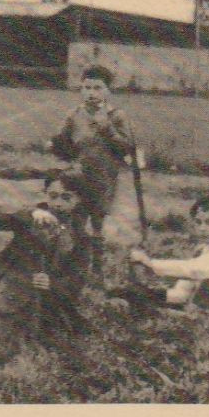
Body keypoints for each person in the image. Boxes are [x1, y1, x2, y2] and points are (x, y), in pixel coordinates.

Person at [0, 169, 96, 345]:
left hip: (49, 298)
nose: (58, 203)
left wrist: (52, 283)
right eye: (53, 196)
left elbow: (77, 279)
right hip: (14, 289)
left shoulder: (81, 237)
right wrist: (29, 214)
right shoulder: (32, 217)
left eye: (67, 198)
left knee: (55, 338)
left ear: (79, 199)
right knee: (4, 335)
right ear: (45, 195)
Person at [49, 64, 135, 277]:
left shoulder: (116, 115)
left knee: (97, 224)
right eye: (87, 88)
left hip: (104, 177)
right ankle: (72, 267)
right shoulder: (74, 114)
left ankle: (97, 270)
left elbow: (127, 147)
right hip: (77, 176)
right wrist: (56, 144)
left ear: (107, 91)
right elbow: (63, 144)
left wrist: (109, 129)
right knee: (74, 221)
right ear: (81, 89)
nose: (91, 93)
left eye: (97, 88)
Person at [127, 195, 209, 310]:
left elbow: (196, 270)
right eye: (198, 222)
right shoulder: (203, 250)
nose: (202, 228)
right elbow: (182, 294)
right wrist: (146, 294)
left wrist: (150, 263)